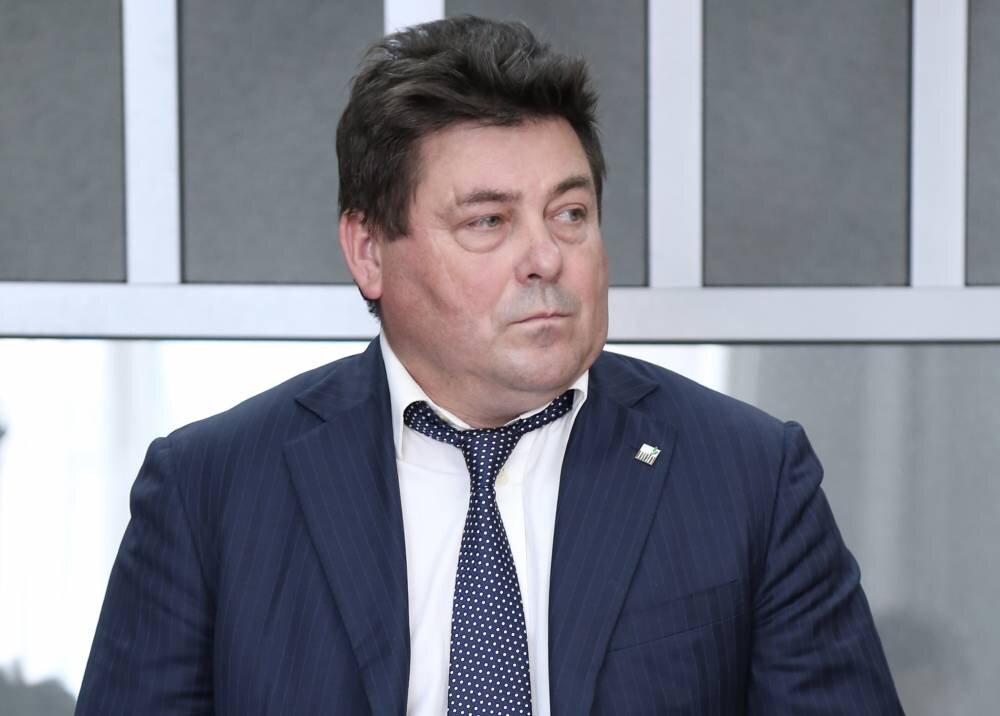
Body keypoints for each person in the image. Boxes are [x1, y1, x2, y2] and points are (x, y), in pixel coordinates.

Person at [76, 15, 902, 715]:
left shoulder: (748, 476)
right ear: (369, 251)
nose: (546, 257)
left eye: (570, 213)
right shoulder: (211, 490)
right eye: (488, 222)